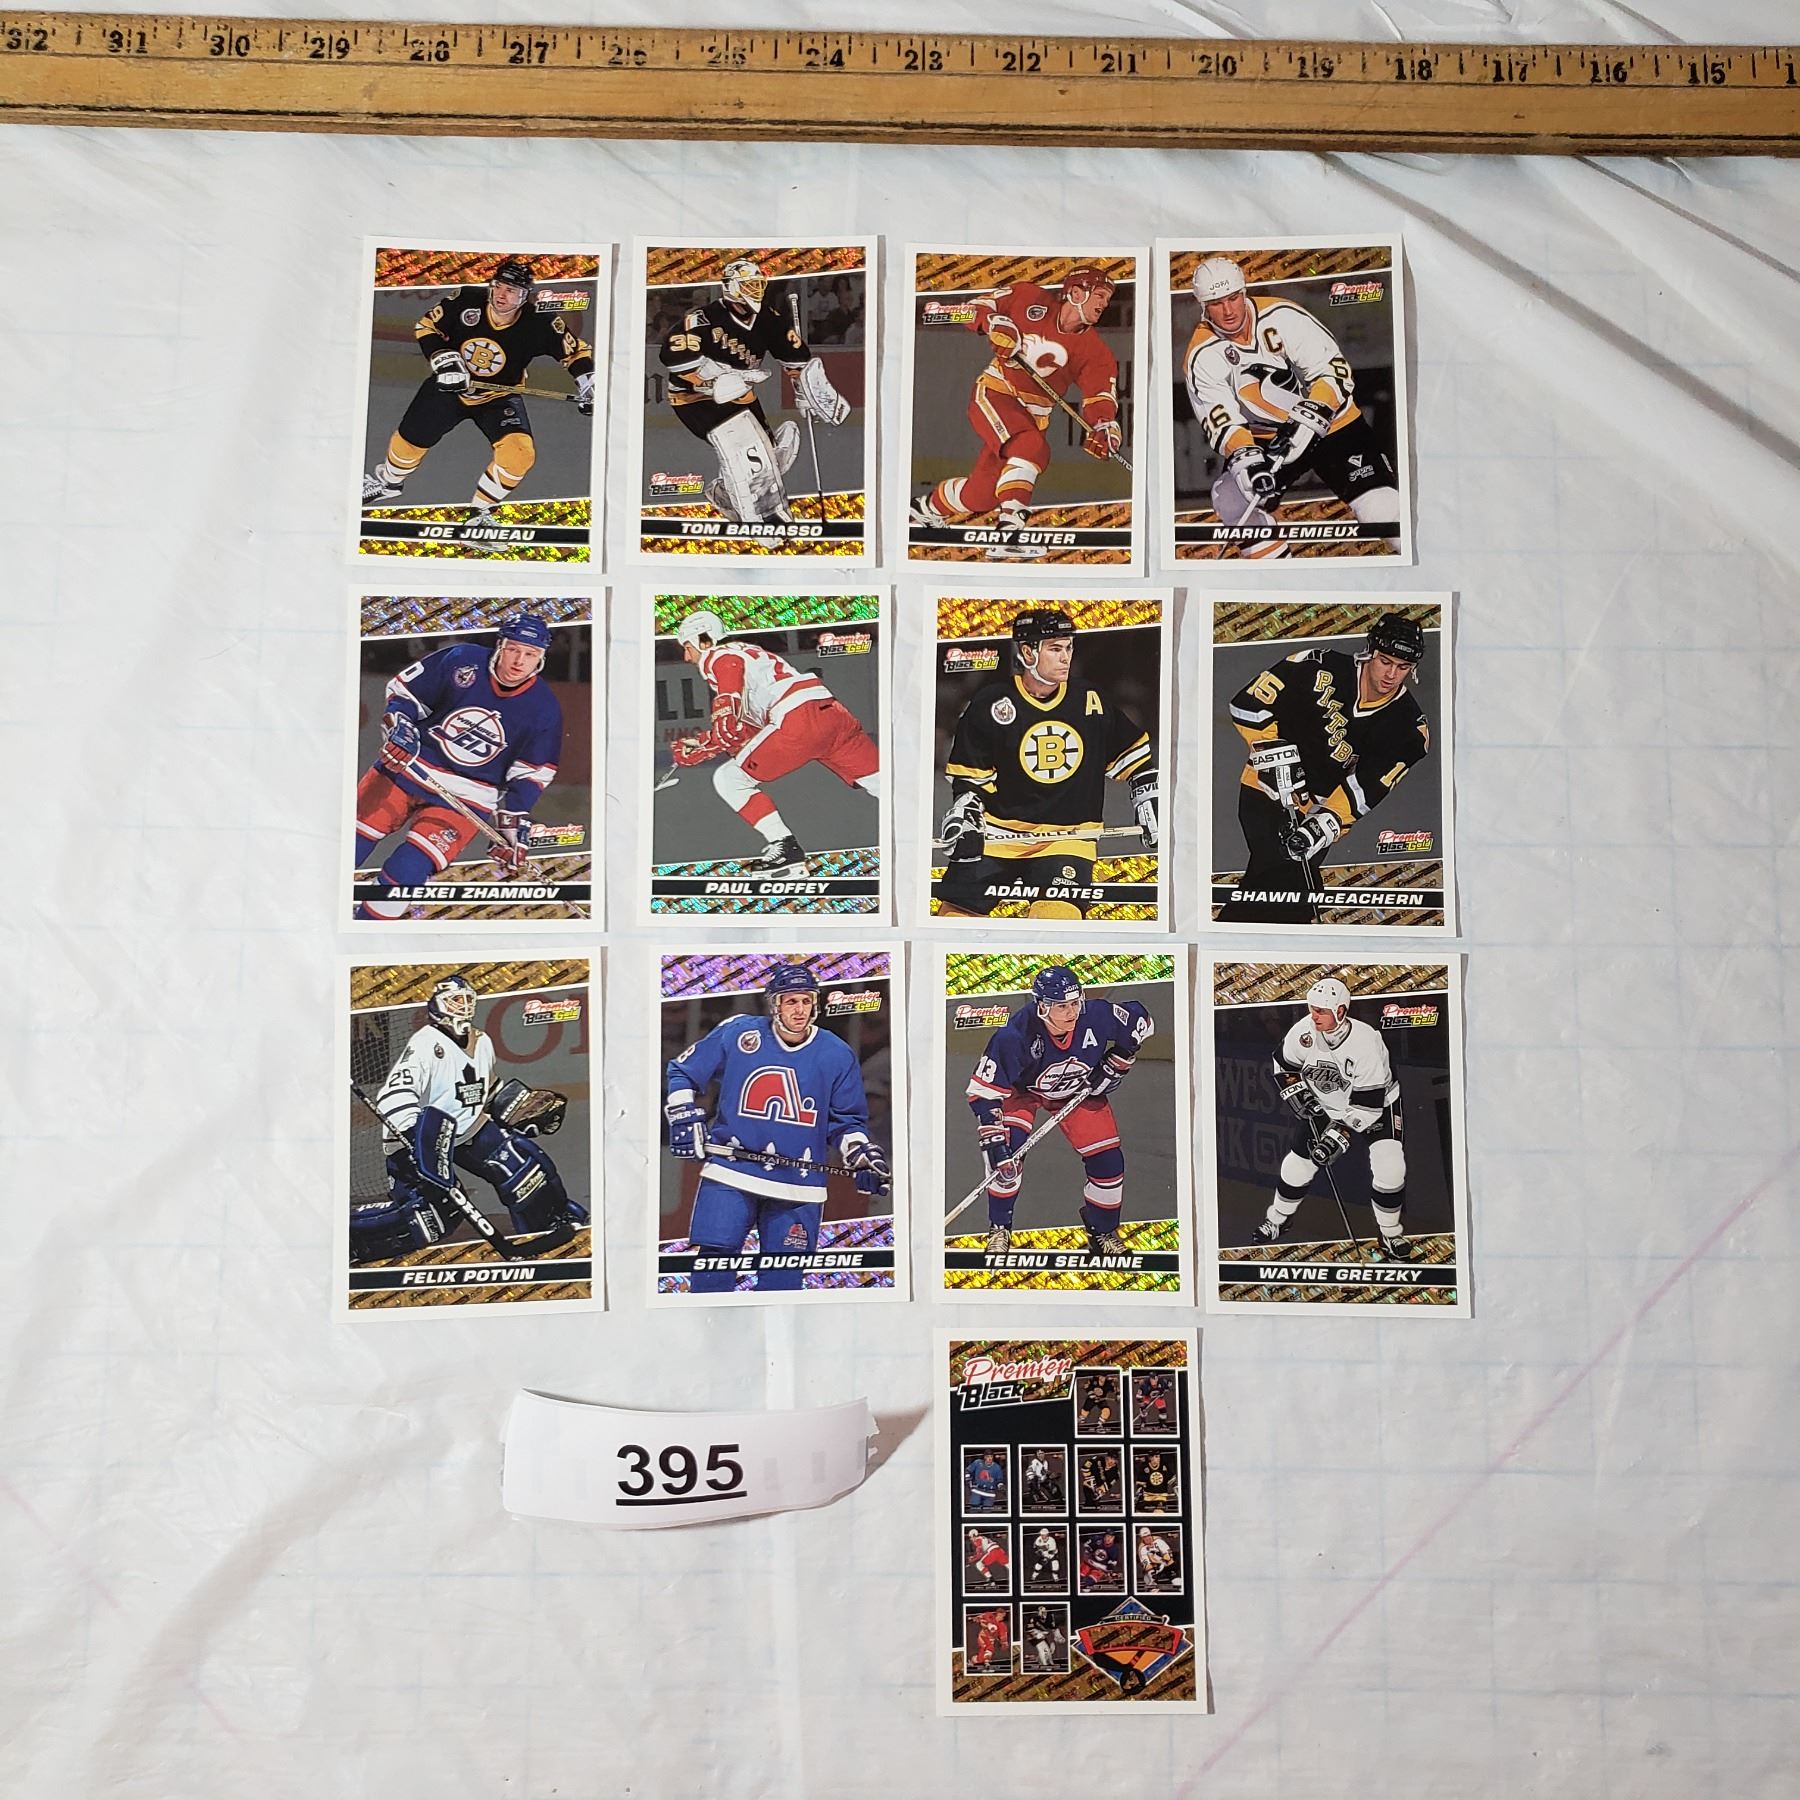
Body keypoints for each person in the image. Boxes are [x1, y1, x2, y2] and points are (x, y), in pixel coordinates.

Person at [664, 963, 891, 1293]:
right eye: (791, 1001)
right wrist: (683, 1112)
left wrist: (860, 1154)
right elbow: (683, 1071)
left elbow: (847, 1121)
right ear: (774, 1004)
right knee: (714, 1266)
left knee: (784, 1279)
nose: (799, 1010)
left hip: (799, 1185)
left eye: (806, 1001)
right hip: (731, 1172)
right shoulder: (739, 1032)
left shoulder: (837, 1053)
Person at [936, 608, 1157, 920]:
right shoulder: (991, 702)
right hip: (998, 837)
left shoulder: (1090, 699)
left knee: (1056, 922)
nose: (1065, 657)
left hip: (1067, 839)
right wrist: (967, 815)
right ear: (1028, 652)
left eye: (1068, 647)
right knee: (953, 923)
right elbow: (970, 780)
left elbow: (1136, 760)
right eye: (1055, 649)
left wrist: (1148, 797)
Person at [349, 975, 584, 1262]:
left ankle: (549, 1224)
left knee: (522, 1163)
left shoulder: (482, 1040)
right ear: (438, 1005)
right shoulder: (426, 1044)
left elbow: (486, 1087)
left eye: (466, 1000)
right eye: (454, 1000)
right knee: (432, 1216)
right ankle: (352, 1239)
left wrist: (514, 1105)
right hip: (423, 1137)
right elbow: (394, 1095)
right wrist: (413, 1135)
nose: (462, 1006)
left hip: (467, 1129)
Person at [1182, 255, 1402, 555]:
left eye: (1233, 298)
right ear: (1203, 306)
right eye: (1217, 303)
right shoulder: (1202, 354)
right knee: (1230, 498)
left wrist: (1311, 413)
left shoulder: (1282, 315)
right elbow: (1223, 421)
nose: (1228, 310)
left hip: (1334, 426)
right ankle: (1277, 572)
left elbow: (1333, 370)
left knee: (1381, 512)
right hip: (1269, 440)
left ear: (1244, 292)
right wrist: (1248, 461)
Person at [1221, 612, 1430, 924]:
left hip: (1319, 809)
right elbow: (1247, 704)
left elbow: (1368, 786)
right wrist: (1274, 754)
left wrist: (1323, 823)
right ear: (1370, 651)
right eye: (1385, 661)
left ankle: (1233, 933)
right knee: (1286, 877)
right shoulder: (1317, 664)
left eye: (1403, 667)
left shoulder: (1410, 727)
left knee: (1289, 888)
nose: (1391, 674)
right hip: (1268, 791)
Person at [352, 612, 562, 921]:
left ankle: (366, 931)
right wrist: (401, 725)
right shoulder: (462, 660)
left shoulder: (545, 708)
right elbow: (406, 694)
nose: (520, 661)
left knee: (408, 872)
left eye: (530, 654)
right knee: (347, 847)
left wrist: (512, 821)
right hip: (408, 768)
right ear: (500, 645)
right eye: (513, 649)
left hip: (468, 797)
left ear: (541, 658)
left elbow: (532, 773)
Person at [911, 266, 1122, 559]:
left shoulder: (1096, 352)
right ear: (1076, 293)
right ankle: (1009, 531)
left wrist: (1104, 426)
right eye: (1099, 295)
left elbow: (1099, 396)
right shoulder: (1028, 296)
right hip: (996, 393)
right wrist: (992, 322)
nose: (1104, 303)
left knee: (981, 495)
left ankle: (924, 508)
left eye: (1107, 298)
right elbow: (961, 312)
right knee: (1032, 447)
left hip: (1032, 417)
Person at [362, 257, 595, 516]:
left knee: (519, 453)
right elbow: (426, 326)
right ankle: (388, 483)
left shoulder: (540, 322)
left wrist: (587, 383)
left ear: (525, 296)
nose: (501, 295)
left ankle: (480, 514)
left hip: (499, 396)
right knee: (408, 441)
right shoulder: (466, 299)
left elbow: (575, 353)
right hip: (449, 389)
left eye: (511, 290)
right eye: (498, 286)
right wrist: (443, 359)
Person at [665, 609, 881, 879]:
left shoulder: (718, 655)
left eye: (687, 647)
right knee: (884, 785)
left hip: (797, 719)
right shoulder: (754, 657)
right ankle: (922, 828)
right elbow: (746, 733)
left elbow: (729, 670)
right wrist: (705, 744)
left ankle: (785, 848)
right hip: (831, 715)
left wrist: (723, 708)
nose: (687, 657)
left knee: (729, 778)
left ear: (703, 639)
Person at [966, 965, 1153, 1259]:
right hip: (1022, 1092)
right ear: (1042, 1006)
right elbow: (984, 1092)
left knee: (1108, 1162)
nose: (1072, 1012)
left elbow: (1141, 1020)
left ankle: (1102, 1230)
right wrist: (995, 1142)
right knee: (1007, 1159)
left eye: (1075, 1002)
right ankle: (1000, 1226)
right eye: (1062, 1006)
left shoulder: (1096, 1015)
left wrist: (1119, 1059)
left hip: (1075, 1090)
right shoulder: (1014, 1035)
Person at [659, 258, 850, 524]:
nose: (756, 290)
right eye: (748, 285)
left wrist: (803, 389)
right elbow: (675, 357)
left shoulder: (769, 319)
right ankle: (766, 518)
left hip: (741, 394)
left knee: (769, 458)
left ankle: (725, 493)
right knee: (749, 452)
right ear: (731, 287)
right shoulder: (702, 319)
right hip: (695, 398)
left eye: (758, 284)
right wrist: (713, 381)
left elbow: (795, 359)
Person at [1257, 976, 1415, 1260]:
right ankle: (1278, 1219)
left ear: (1340, 1011)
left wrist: (1337, 1137)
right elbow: (1282, 1065)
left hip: (1378, 1106)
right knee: (1297, 1166)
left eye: (1321, 1010)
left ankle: (1391, 1233)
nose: (1314, 1016)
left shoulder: (1366, 1042)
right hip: (1327, 1105)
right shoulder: (1304, 1032)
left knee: (1390, 1166)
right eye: (1312, 1008)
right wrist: (1298, 1094)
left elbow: (1368, 1106)